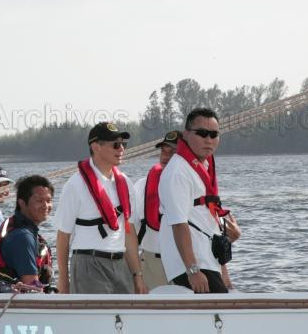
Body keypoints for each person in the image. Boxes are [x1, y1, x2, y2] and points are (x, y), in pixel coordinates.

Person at [55, 122, 147, 294]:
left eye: (123, 144)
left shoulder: (125, 183)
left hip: (121, 265)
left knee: (126, 318)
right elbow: (62, 236)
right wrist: (63, 279)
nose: (121, 149)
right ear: (96, 147)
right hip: (89, 264)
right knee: (96, 319)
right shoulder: (75, 185)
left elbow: (129, 232)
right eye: (115, 144)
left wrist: (137, 275)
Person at [159, 108, 240, 293]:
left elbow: (204, 219)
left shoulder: (203, 167)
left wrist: (223, 264)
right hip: (193, 266)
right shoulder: (178, 171)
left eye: (214, 134)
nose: (209, 139)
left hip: (208, 260)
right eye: (202, 133)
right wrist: (193, 270)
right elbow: (179, 224)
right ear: (186, 135)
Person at [132, 130, 180, 290]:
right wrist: (136, 272)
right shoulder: (141, 186)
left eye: (172, 152)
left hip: (184, 264)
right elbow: (131, 231)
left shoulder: (194, 185)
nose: (165, 156)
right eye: (163, 151)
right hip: (153, 263)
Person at [0, 175, 54, 290]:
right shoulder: (22, 237)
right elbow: (31, 286)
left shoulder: (20, 230)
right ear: (22, 203)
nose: (45, 206)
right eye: (39, 200)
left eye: (48, 201)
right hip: (15, 303)